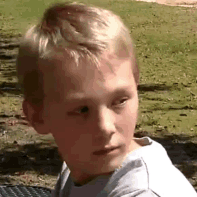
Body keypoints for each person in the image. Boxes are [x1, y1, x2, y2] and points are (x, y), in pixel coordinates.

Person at [16, 2, 197, 196]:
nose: (105, 127)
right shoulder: (80, 166)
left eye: (119, 101)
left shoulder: (145, 191)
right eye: (82, 109)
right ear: (38, 116)